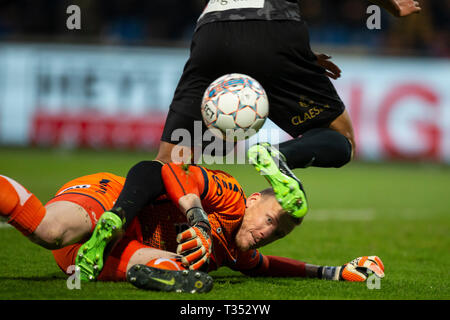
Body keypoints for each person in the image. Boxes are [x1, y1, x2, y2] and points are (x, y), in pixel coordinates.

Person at [0, 162, 384, 293]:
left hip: (88, 259)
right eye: (270, 219)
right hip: (112, 198)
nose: (269, 232)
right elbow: (161, 170)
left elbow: (271, 266)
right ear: (253, 201)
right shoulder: (230, 195)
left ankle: (151, 271)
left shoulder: (238, 253)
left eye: (278, 232)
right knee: (49, 231)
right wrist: (199, 219)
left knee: (178, 269)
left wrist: (335, 272)